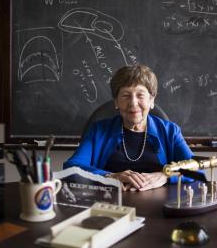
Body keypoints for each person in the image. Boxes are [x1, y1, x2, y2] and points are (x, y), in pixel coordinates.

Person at [63, 64, 197, 191]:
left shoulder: (170, 131)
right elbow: (72, 168)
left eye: (140, 95)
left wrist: (165, 176)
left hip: (159, 207)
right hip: (111, 204)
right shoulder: (98, 130)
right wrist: (110, 176)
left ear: (151, 101)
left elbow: (195, 167)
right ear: (116, 101)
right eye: (126, 95)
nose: (133, 103)